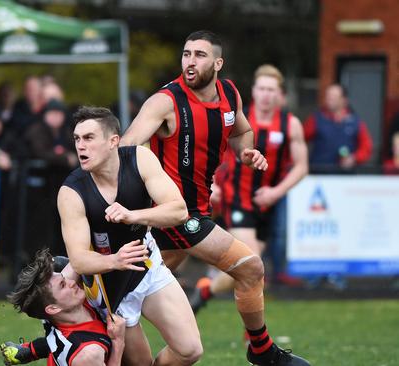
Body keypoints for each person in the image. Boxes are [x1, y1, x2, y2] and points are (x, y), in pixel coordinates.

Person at [120, 30, 309, 365]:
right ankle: (264, 353)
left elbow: (242, 131)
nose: (190, 62)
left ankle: (68, 325)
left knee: (129, 297)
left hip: (187, 217)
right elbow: (127, 148)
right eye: (186, 54)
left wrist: (248, 152)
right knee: (251, 268)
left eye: (200, 55)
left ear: (218, 62)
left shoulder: (228, 93)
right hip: (179, 215)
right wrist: (155, 186)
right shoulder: (166, 101)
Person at [57, 106, 202, 365]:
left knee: (190, 350)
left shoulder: (140, 158)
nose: (81, 146)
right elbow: (78, 260)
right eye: (77, 139)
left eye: (89, 138)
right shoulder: (71, 191)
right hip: (110, 287)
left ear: (113, 141)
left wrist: (133, 215)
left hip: (147, 266)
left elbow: (179, 211)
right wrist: (116, 260)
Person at [189, 64, 308, 310]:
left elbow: (301, 167)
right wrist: (212, 184)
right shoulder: (238, 119)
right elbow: (209, 152)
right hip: (237, 197)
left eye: (271, 90)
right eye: (262, 88)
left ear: (279, 94)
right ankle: (253, 335)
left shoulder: (290, 124)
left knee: (251, 270)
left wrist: (276, 192)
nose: (266, 94)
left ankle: (207, 289)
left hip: (267, 203)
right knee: (254, 263)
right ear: (253, 91)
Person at [6, 248, 126, 366]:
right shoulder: (88, 353)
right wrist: (118, 342)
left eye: (64, 279)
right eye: (63, 285)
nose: (72, 282)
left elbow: (78, 261)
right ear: (53, 308)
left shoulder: (55, 308)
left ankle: (28, 351)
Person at [303, 84, 372, 172]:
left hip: (344, 177)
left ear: (344, 100)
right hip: (319, 174)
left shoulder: (355, 122)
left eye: (334, 97)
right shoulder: (316, 119)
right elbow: (299, 140)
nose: (329, 99)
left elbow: (366, 148)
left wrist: (354, 158)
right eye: (328, 96)